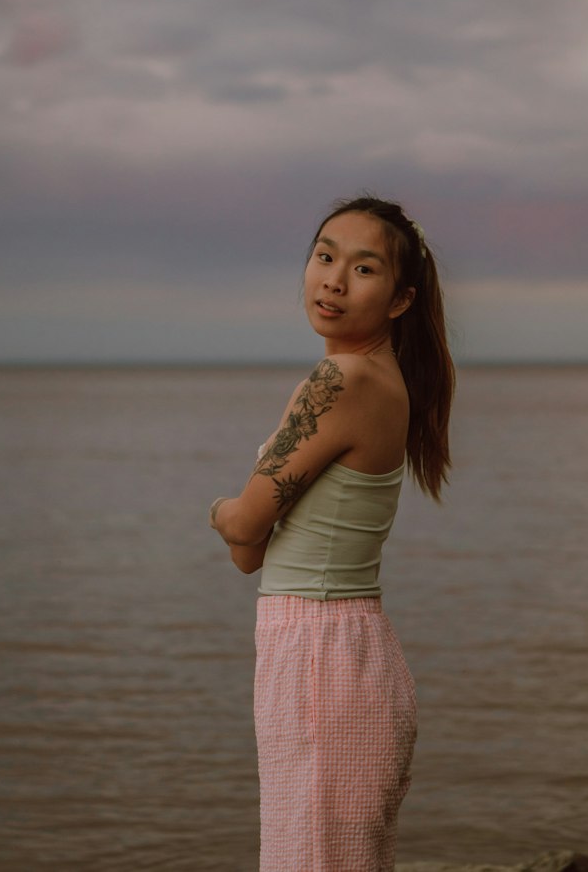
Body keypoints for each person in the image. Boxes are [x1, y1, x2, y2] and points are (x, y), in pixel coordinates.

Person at [209, 194, 454, 872]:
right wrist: (248, 528)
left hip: (319, 655)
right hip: (342, 651)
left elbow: (247, 535)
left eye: (363, 268)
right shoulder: (379, 377)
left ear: (400, 300)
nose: (334, 281)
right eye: (324, 257)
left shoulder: (340, 380)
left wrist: (220, 509)